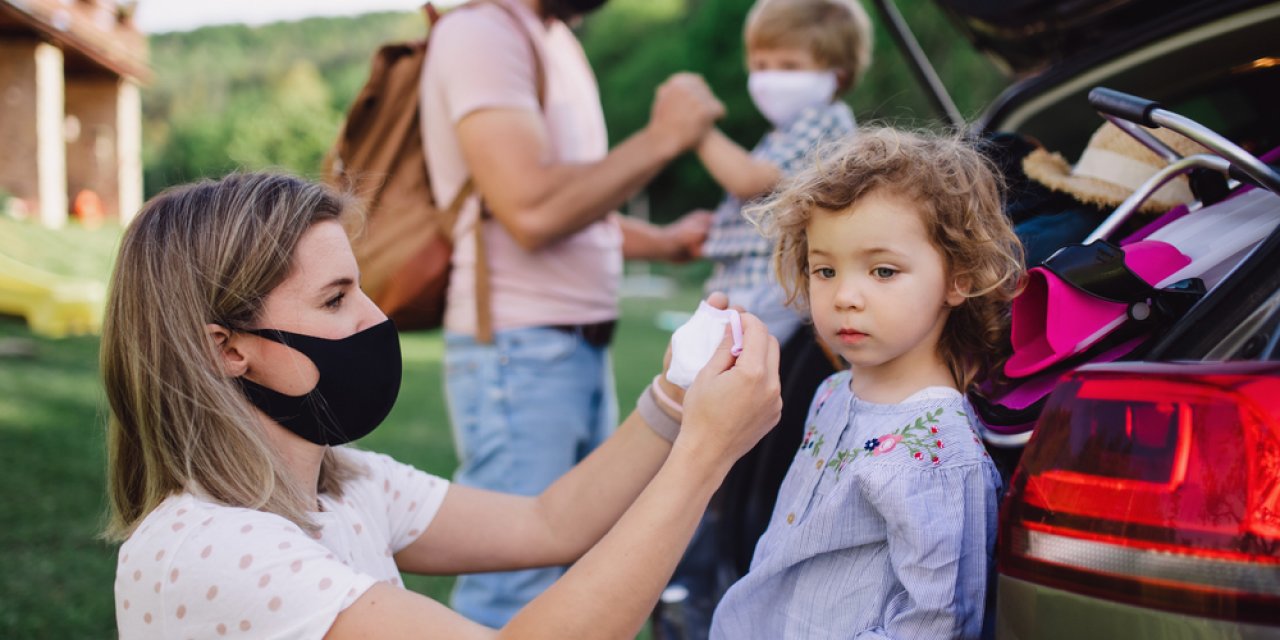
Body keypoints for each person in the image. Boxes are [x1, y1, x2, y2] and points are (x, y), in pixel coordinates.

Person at [103, 172, 783, 639]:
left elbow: (551, 524)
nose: (375, 318)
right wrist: (706, 455)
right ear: (227, 349)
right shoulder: (215, 547)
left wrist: (674, 399)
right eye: (336, 300)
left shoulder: (343, 484)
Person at [419, 0, 723, 625]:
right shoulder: (480, 31)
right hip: (518, 348)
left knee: (581, 565)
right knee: (513, 584)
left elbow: (571, 200)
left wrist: (661, 241)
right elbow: (530, 209)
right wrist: (666, 136)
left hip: (570, 345)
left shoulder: (555, 38)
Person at [708, 128, 1025, 638]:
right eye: (825, 270)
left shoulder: (940, 451)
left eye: (882, 271)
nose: (844, 296)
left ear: (957, 278)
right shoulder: (832, 392)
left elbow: (936, 620)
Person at [662, 0, 872, 628]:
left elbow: (754, 180)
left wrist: (695, 130)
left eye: (787, 62)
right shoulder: (790, 128)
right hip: (742, 287)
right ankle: (692, 562)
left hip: (770, 299)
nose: (768, 75)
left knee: (713, 417)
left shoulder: (824, 121)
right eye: (760, 63)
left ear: (833, 71)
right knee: (689, 407)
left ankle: (695, 569)